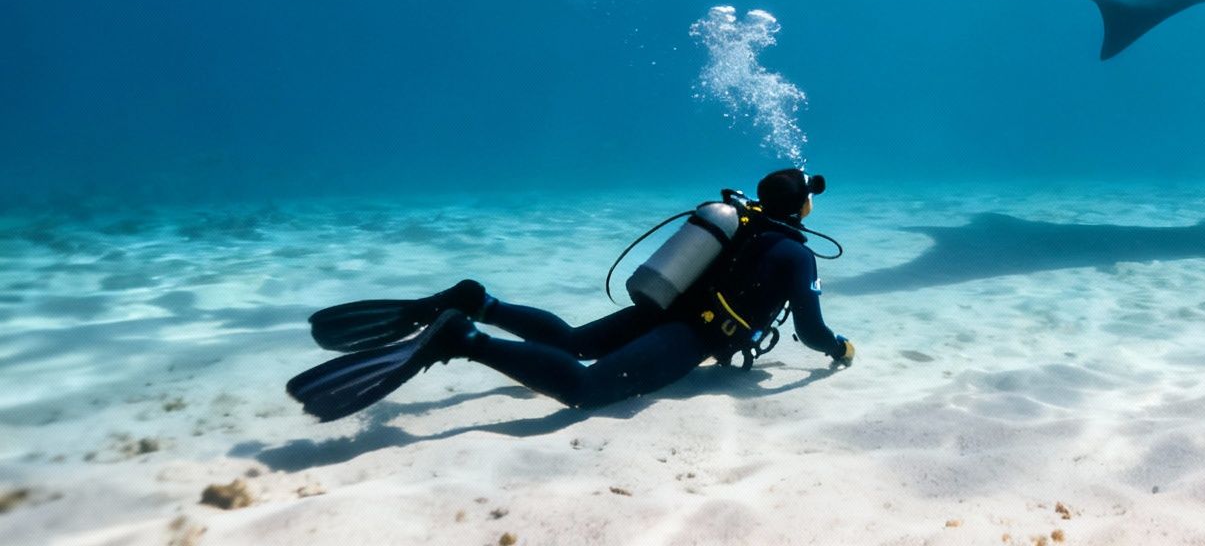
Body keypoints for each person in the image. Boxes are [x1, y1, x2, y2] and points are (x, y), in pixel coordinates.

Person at [286, 169, 854, 420]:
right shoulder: (795, 253)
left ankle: (480, 300)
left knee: (575, 340)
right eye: (809, 197)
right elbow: (808, 331)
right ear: (800, 206)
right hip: (691, 333)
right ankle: (464, 338)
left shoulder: (737, 222)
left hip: (661, 308)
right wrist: (839, 350)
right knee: (585, 388)